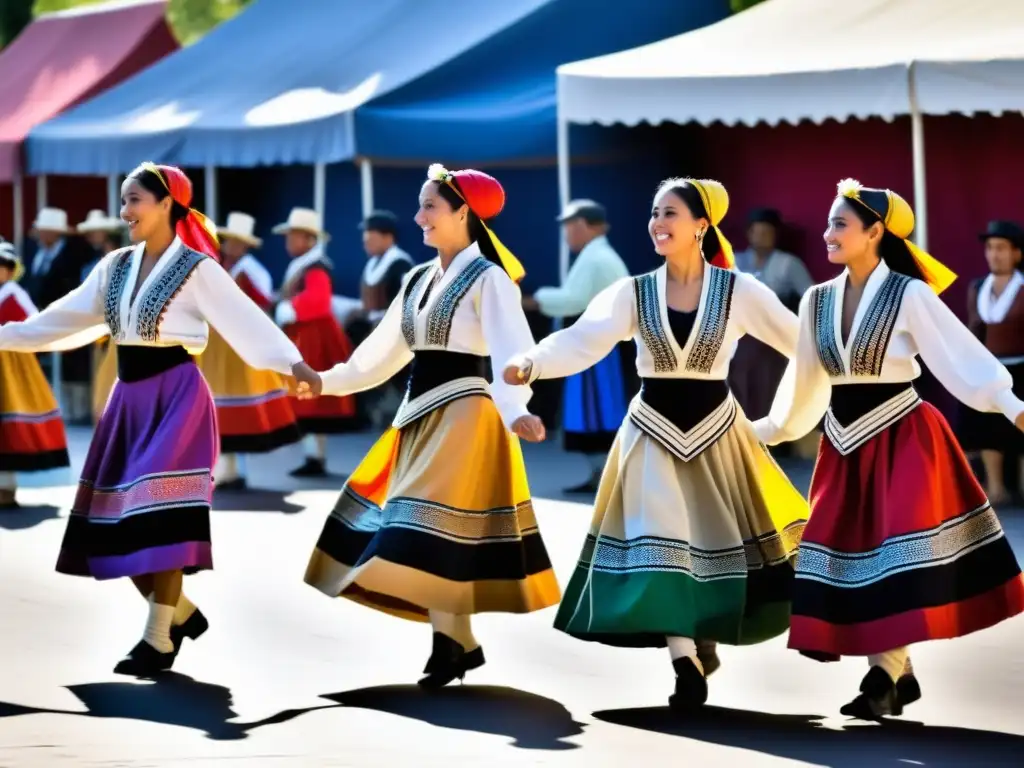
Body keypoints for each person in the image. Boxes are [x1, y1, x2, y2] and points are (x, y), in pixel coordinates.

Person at [0, 163, 322, 677]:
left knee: (159, 516)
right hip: (127, 401)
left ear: (168, 202)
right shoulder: (114, 267)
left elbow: (245, 320)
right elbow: (61, 320)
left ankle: (157, 637)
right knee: (111, 523)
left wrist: (294, 364)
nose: (124, 211)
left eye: (134, 201)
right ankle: (181, 613)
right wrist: (7, 335)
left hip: (178, 399)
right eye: (124, 201)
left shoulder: (199, 268)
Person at [504, 178, 809, 712]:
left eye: (670, 213)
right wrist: (533, 363)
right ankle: (684, 661)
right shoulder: (633, 291)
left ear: (701, 224)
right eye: (653, 213)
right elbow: (583, 337)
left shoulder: (740, 290)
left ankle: (701, 639)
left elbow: (806, 345)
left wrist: (796, 415)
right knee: (659, 544)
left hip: (720, 431)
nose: (657, 223)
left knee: (714, 547)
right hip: (650, 432)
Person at [753, 179, 1024, 720]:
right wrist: (769, 428)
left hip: (904, 436)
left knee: (893, 554)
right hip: (843, 442)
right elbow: (805, 381)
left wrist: (1012, 405)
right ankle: (899, 674)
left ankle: (882, 676)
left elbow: (959, 357)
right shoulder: (816, 299)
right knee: (853, 557)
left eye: (840, 225)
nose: (828, 234)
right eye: (829, 223)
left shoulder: (910, 294)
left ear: (875, 232)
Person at [304, 164, 560, 688]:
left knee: (416, 527)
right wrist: (324, 382)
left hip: (466, 411)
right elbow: (380, 356)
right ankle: (458, 643)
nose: (419, 217)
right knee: (429, 531)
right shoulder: (417, 279)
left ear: (463, 213)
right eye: (421, 206)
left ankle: (451, 645)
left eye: (430, 207)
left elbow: (512, 352)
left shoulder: (490, 277)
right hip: (418, 413)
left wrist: (517, 411)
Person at [522, 199, 632, 494]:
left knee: (594, 412)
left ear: (585, 226)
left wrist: (536, 300)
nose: (567, 234)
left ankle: (607, 474)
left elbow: (575, 299)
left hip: (595, 350)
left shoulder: (596, 258)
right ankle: (602, 473)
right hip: (595, 346)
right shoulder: (597, 255)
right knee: (593, 410)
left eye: (570, 227)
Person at [199, 212, 301, 490]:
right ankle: (226, 469)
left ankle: (235, 469)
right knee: (220, 404)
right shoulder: (222, 266)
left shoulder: (251, 270)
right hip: (220, 345)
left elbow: (263, 305)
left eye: (235, 242)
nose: (230, 246)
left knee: (237, 404)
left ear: (245, 245)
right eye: (228, 240)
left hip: (238, 344)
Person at [273, 208, 358, 477]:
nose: (289, 242)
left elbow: (319, 301)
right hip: (305, 336)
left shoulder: (315, 268)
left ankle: (315, 457)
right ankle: (313, 456)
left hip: (315, 338)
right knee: (309, 398)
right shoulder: (304, 265)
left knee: (311, 397)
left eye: (293, 237)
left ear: (308, 239)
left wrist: (291, 308)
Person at [0, 240, 71, 509]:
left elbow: (34, 322)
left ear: (9, 270)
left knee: (11, 427)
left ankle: (6, 490)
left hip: (14, 369)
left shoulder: (14, 294)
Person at [959, 220, 1024, 503]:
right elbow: (974, 329)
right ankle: (995, 488)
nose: (994, 254)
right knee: (986, 426)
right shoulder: (978, 287)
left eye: (1001, 248)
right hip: (988, 369)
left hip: (1021, 369)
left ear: (1016, 254)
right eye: (990, 248)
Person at [729, 208, 814, 425]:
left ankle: (768, 432)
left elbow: (811, 296)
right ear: (749, 234)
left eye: (768, 233)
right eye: (759, 232)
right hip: (739, 332)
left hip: (773, 335)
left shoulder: (789, 263)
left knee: (764, 374)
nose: (763, 238)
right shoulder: (734, 261)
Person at [76, 210, 126, 423]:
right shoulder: (94, 264)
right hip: (100, 329)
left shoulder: (125, 264)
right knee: (102, 377)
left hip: (116, 330)